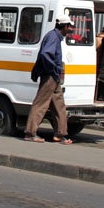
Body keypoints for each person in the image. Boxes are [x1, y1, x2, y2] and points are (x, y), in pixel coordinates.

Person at [24, 15, 74, 145]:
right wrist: (53, 68)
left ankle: (60, 134)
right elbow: (45, 54)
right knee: (41, 104)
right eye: (69, 27)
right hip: (50, 76)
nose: (70, 29)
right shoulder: (53, 37)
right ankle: (30, 133)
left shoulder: (55, 37)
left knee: (59, 106)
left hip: (54, 76)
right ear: (65, 26)